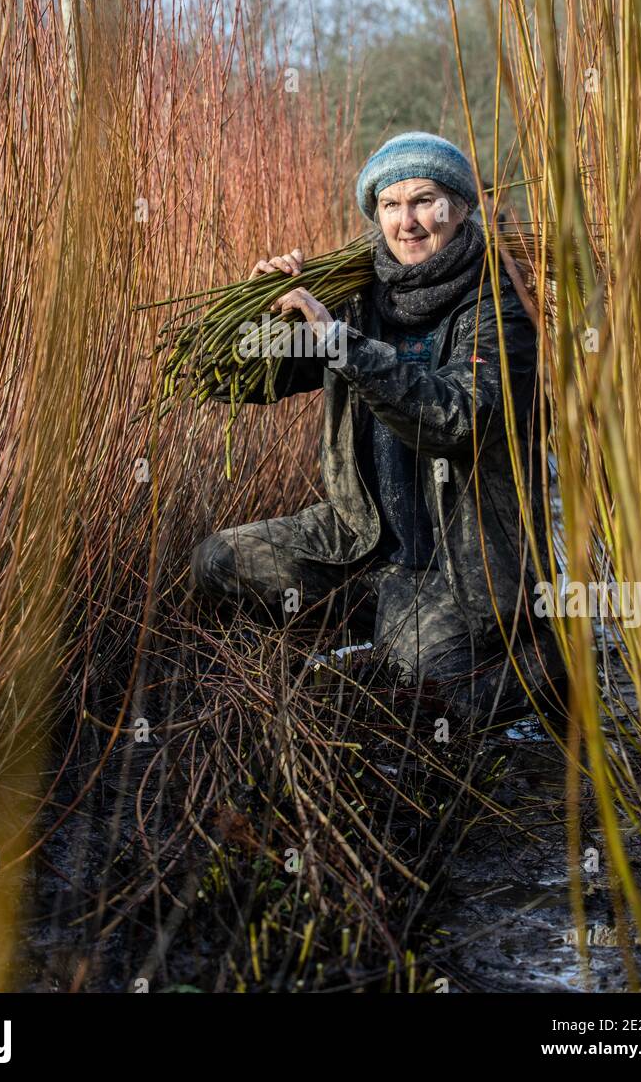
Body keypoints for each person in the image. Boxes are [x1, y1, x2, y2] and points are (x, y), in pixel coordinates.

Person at [189, 131, 565, 728]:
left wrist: (342, 345)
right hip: (360, 544)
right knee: (220, 562)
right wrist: (262, 310)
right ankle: (375, 636)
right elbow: (235, 382)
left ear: (461, 206)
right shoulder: (355, 298)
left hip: (462, 563)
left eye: (425, 200)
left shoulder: (501, 303)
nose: (407, 221)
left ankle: (539, 659)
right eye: (391, 205)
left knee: (427, 686)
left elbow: (459, 418)